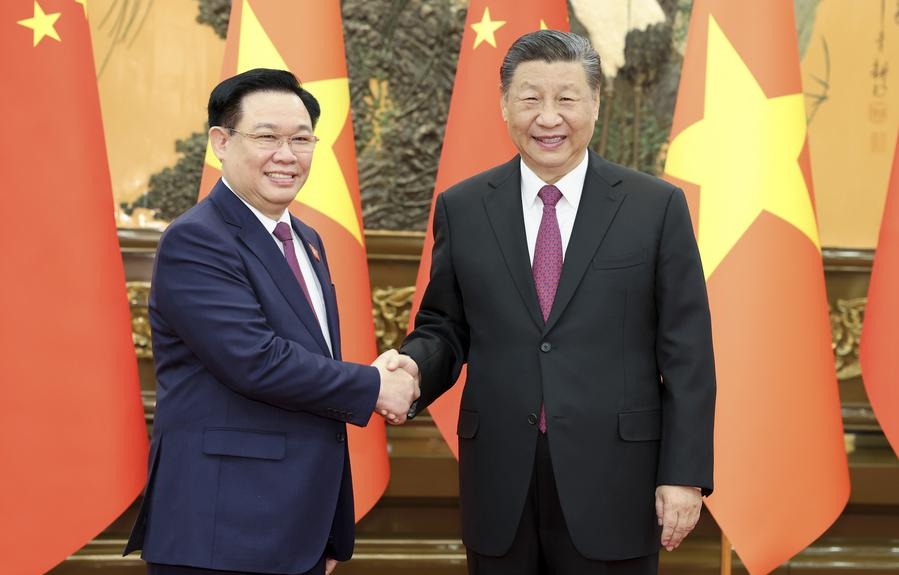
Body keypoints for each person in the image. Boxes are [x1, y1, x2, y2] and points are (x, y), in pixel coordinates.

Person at [398, 30, 716, 575]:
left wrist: (683, 475)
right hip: (501, 478)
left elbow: (687, 352)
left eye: (567, 98)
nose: (549, 118)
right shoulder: (464, 207)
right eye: (530, 99)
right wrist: (411, 371)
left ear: (595, 102)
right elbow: (445, 326)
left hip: (618, 478)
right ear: (504, 105)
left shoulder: (655, 208)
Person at [124, 68, 418, 575]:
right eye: (267, 137)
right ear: (220, 141)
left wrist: (323, 530)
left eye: (301, 139)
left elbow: (309, 363)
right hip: (222, 534)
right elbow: (255, 361)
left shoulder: (306, 240)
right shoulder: (197, 239)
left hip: (296, 529)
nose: (287, 155)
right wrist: (374, 385)